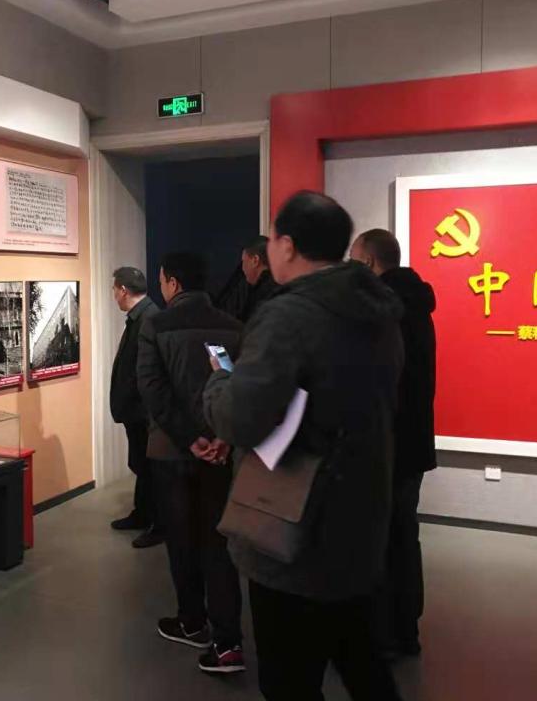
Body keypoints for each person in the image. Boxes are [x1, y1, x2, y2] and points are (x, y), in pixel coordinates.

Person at [203, 192, 404, 700]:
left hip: (294, 528)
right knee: (362, 662)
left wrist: (219, 381)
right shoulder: (378, 311)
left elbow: (241, 417)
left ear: (287, 245)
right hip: (361, 517)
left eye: (272, 240)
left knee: (289, 680)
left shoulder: (289, 315)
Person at [137, 251, 246, 675]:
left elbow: (153, 390)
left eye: (162, 280)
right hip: (219, 453)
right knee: (218, 543)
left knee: (181, 541)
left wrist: (188, 438)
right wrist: (221, 437)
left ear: (173, 283)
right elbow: (239, 388)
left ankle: (192, 622)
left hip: (172, 451)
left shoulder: (156, 325)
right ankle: (228, 641)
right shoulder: (233, 326)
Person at [350, 228, 437, 657]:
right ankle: (406, 629)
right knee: (404, 535)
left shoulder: (381, 312)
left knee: (379, 539)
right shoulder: (417, 306)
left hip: (384, 444)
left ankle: (381, 634)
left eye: (353, 260)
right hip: (413, 442)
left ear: (368, 262)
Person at [108, 266, 164, 549]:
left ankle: (158, 523)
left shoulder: (148, 319)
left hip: (144, 413)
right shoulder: (141, 317)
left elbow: (148, 371)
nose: (113, 295)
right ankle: (142, 514)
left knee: (150, 468)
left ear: (123, 290)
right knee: (142, 465)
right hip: (137, 411)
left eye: (114, 289)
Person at [239, 235, 278, 322]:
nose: (242, 268)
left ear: (255, 260)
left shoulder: (261, 294)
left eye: (244, 261)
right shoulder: (280, 286)